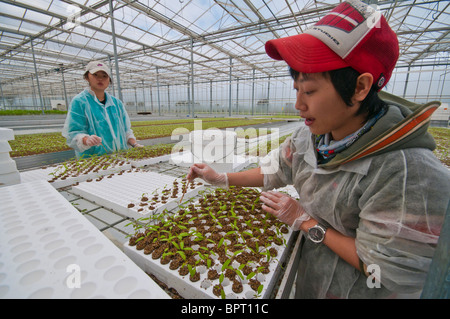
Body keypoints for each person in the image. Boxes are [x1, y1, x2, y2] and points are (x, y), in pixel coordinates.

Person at [187, 0, 450, 298]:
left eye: (310, 91)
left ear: (360, 87)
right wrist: (219, 178)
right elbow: (275, 170)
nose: (299, 105)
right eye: (297, 89)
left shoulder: (404, 172)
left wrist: (307, 222)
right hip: (315, 279)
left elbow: (381, 269)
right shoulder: (311, 137)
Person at [62, 60, 142, 158]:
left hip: (121, 157)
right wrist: (86, 140)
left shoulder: (116, 103)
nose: (100, 79)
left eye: (104, 76)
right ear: (87, 77)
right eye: (96, 75)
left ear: (109, 79)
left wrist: (135, 144)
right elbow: (73, 134)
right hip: (93, 160)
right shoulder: (80, 102)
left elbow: (126, 131)